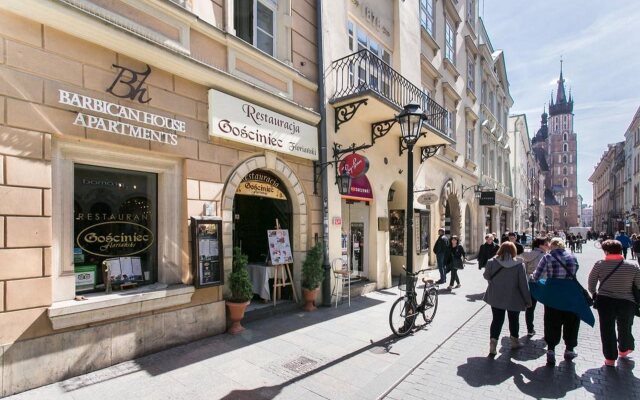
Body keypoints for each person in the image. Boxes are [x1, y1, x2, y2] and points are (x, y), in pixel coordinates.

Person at [588, 239, 640, 367]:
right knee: (625, 326)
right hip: (627, 302)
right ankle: (623, 349)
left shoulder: (599, 264)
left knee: (607, 329)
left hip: (605, 301)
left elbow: (591, 283)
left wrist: (594, 294)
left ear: (606, 251)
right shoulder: (633, 266)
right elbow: (639, 285)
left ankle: (610, 359)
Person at [532, 237, 581, 366]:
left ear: (552, 246)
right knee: (571, 321)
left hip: (552, 294)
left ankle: (551, 350)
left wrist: (531, 279)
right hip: (570, 293)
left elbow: (536, 276)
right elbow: (576, 271)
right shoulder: (572, 256)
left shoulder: (547, 257)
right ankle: (569, 349)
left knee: (551, 321)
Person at [483, 242, 532, 357]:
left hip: (496, 296)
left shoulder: (492, 262)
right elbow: (523, 284)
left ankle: (493, 345)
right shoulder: (519, 264)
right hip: (514, 297)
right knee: (514, 320)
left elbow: (486, 276)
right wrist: (527, 300)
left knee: (496, 320)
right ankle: (514, 341)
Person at [520, 237, 549, 337]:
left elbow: (523, 268)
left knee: (530, 308)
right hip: (544, 283)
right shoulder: (546, 256)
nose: (548, 245)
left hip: (531, 282)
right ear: (540, 245)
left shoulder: (528, 254)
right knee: (548, 309)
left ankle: (530, 329)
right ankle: (547, 331)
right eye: (546, 243)